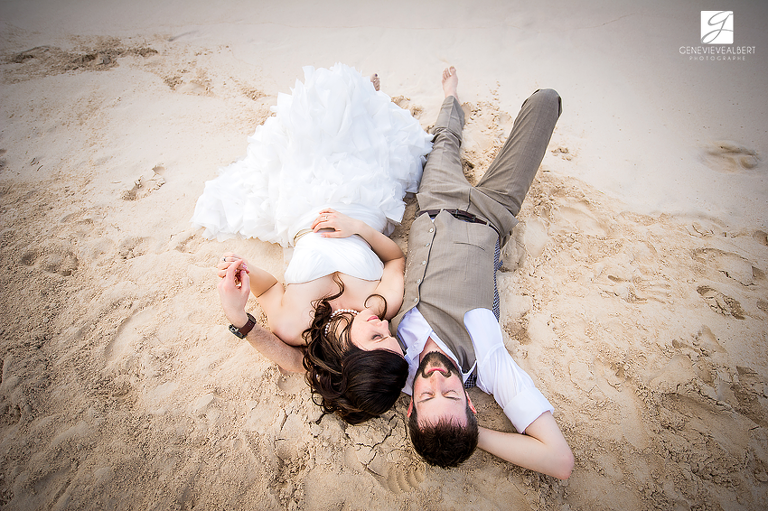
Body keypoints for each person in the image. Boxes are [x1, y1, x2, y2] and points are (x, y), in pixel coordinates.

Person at [199, 64, 432, 424]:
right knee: (359, 143)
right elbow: (395, 259)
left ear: (350, 354)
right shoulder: (381, 304)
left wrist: (243, 272)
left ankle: (360, 104)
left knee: (310, 135)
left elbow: (271, 287)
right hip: (361, 207)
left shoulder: (292, 326)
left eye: (377, 336)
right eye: (393, 339)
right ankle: (366, 103)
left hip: (303, 211)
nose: (386, 326)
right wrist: (358, 228)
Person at [390, 67, 574, 478]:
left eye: (426, 396)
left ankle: (451, 94)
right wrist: (471, 435)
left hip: (436, 202)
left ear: (411, 408)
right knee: (546, 99)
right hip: (493, 212)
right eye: (451, 395)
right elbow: (559, 462)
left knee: (445, 142)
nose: (436, 378)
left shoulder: (395, 366)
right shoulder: (487, 363)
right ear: (471, 404)